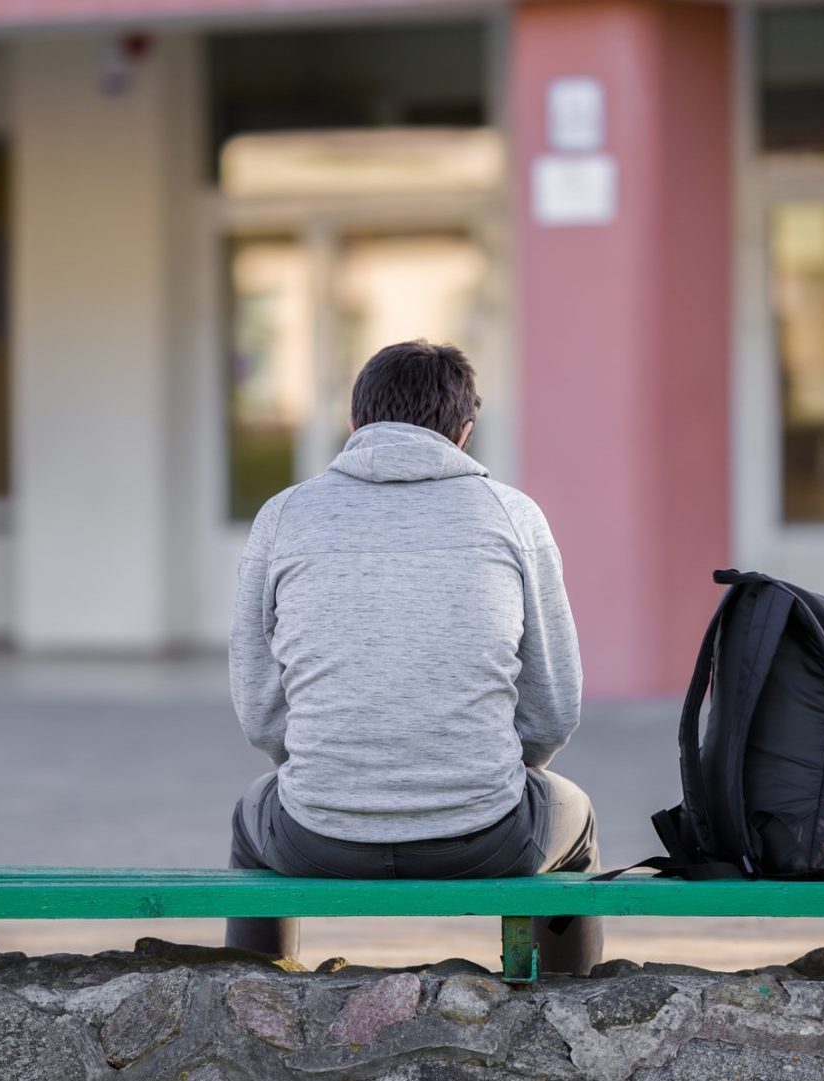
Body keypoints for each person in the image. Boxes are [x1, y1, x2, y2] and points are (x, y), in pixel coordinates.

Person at [225, 339, 602, 975]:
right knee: (578, 818)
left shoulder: (284, 515)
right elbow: (554, 710)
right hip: (487, 836)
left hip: (317, 838)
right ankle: (566, 1014)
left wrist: (337, 773)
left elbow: (261, 712)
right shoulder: (511, 516)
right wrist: (491, 773)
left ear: (354, 425)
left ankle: (259, 1005)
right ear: (464, 432)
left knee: (250, 817)